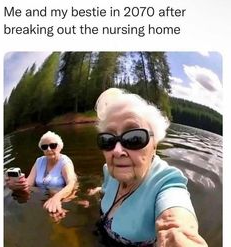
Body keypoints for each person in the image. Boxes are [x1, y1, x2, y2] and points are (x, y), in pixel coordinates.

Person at [89, 88, 208, 247]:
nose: (117, 151)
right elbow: (106, 188)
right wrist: (98, 192)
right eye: (107, 140)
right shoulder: (109, 170)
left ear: (154, 145)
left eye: (134, 138)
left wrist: (178, 236)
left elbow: (175, 224)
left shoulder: (166, 183)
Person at [6, 131, 78, 214]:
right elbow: (29, 184)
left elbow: (71, 183)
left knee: (56, 216)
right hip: (43, 198)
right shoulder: (39, 161)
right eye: (44, 147)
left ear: (60, 147)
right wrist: (17, 185)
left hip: (63, 197)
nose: (48, 149)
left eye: (53, 145)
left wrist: (56, 198)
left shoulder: (65, 162)